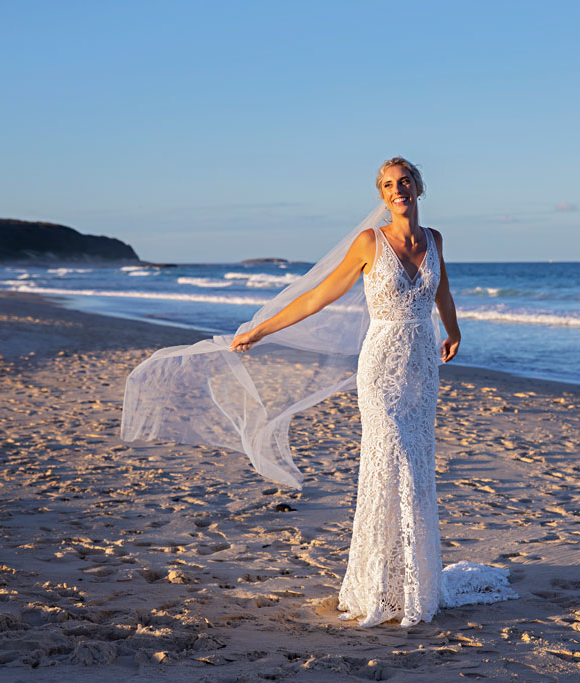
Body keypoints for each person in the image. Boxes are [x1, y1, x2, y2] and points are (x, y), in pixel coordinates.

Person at [122, 158, 515, 628]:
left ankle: (414, 580)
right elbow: (319, 295)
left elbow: (441, 290)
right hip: (381, 366)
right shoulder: (370, 243)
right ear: (381, 194)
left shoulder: (435, 240)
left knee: (415, 463)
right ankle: (379, 583)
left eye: (404, 181)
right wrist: (262, 329)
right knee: (391, 456)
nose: (398, 190)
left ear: (419, 186)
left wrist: (452, 331)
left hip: (421, 365)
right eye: (388, 185)